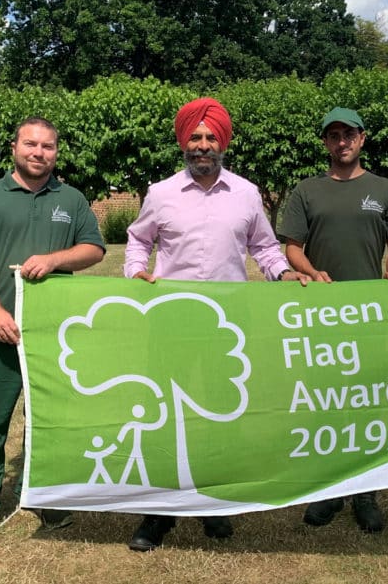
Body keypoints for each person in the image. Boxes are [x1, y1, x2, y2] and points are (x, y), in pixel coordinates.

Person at [123, 97, 310, 551]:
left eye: (210, 137)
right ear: (183, 142)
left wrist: (283, 272)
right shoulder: (161, 193)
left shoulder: (245, 193)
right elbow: (137, 240)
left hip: (227, 327)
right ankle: (158, 514)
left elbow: (264, 247)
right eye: (195, 137)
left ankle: (213, 506)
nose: (202, 145)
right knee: (164, 417)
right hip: (170, 322)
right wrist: (135, 273)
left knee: (220, 415)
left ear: (222, 142)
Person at [0, 117, 107, 549]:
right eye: (31, 144)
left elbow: (94, 248)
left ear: (57, 152)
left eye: (48, 146)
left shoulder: (71, 200)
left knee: (50, 421)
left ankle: (46, 497)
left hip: (54, 335)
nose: (39, 152)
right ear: (15, 147)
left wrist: (56, 259)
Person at [277, 106, 388, 533]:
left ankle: (366, 493)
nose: (342, 141)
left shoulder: (384, 188)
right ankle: (328, 490)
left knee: (366, 400)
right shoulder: (307, 191)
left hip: (369, 314)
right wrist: (312, 273)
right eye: (333, 135)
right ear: (326, 143)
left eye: (348, 134)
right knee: (325, 402)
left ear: (362, 138)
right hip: (320, 314)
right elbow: (292, 248)